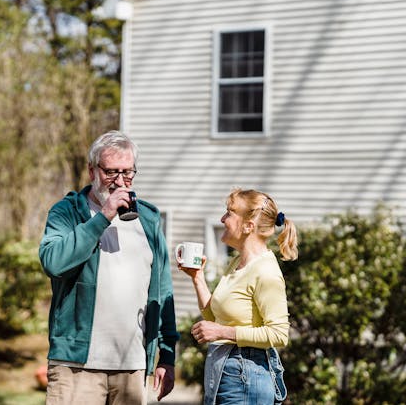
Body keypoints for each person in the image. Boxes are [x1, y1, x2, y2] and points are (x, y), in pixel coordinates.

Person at [38, 130, 179, 405]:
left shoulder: (148, 218)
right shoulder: (66, 212)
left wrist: (167, 355)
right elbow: (53, 262)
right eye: (111, 172)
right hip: (76, 365)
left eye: (127, 172)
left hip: (132, 365)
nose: (119, 181)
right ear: (92, 171)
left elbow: (162, 291)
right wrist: (103, 217)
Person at [179, 188, 298, 405]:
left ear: (248, 226)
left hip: (247, 377)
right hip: (227, 370)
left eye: (229, 212)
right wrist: (197, 278)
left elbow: (279, 334)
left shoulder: (266, 272)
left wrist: (221, 332)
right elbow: (215, 317)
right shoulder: (238, 263)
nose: (222, 219)